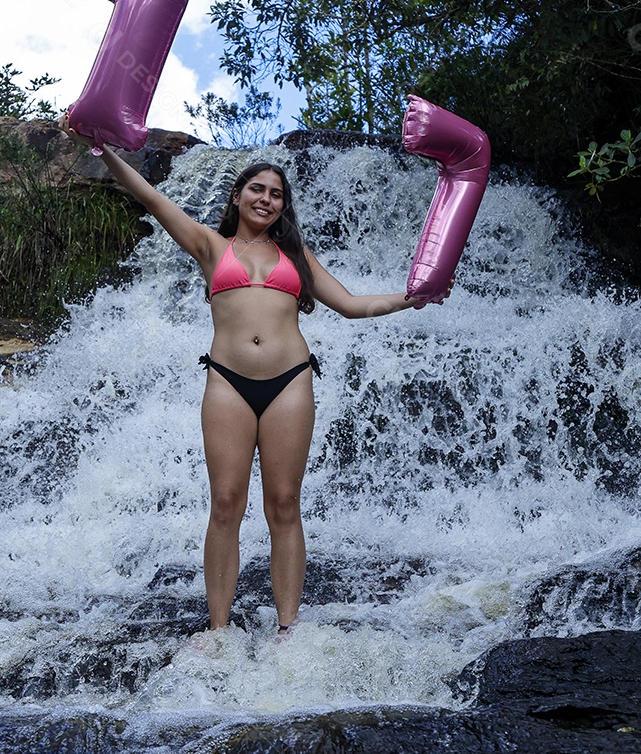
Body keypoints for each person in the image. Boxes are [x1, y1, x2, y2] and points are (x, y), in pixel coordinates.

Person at [60, 114, 448, 635]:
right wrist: (103, 152)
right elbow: (152, 199)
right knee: (225, 503)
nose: (267, 199)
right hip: (227, 381)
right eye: (257, 189)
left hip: (290, 381)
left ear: (283, 206)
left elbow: (353, 305)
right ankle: (218, 630)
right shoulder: (209, 245)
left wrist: (414, 298)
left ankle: (289, 628)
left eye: (277, 194)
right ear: (238, 196)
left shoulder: (296, 256)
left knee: (284, 503)